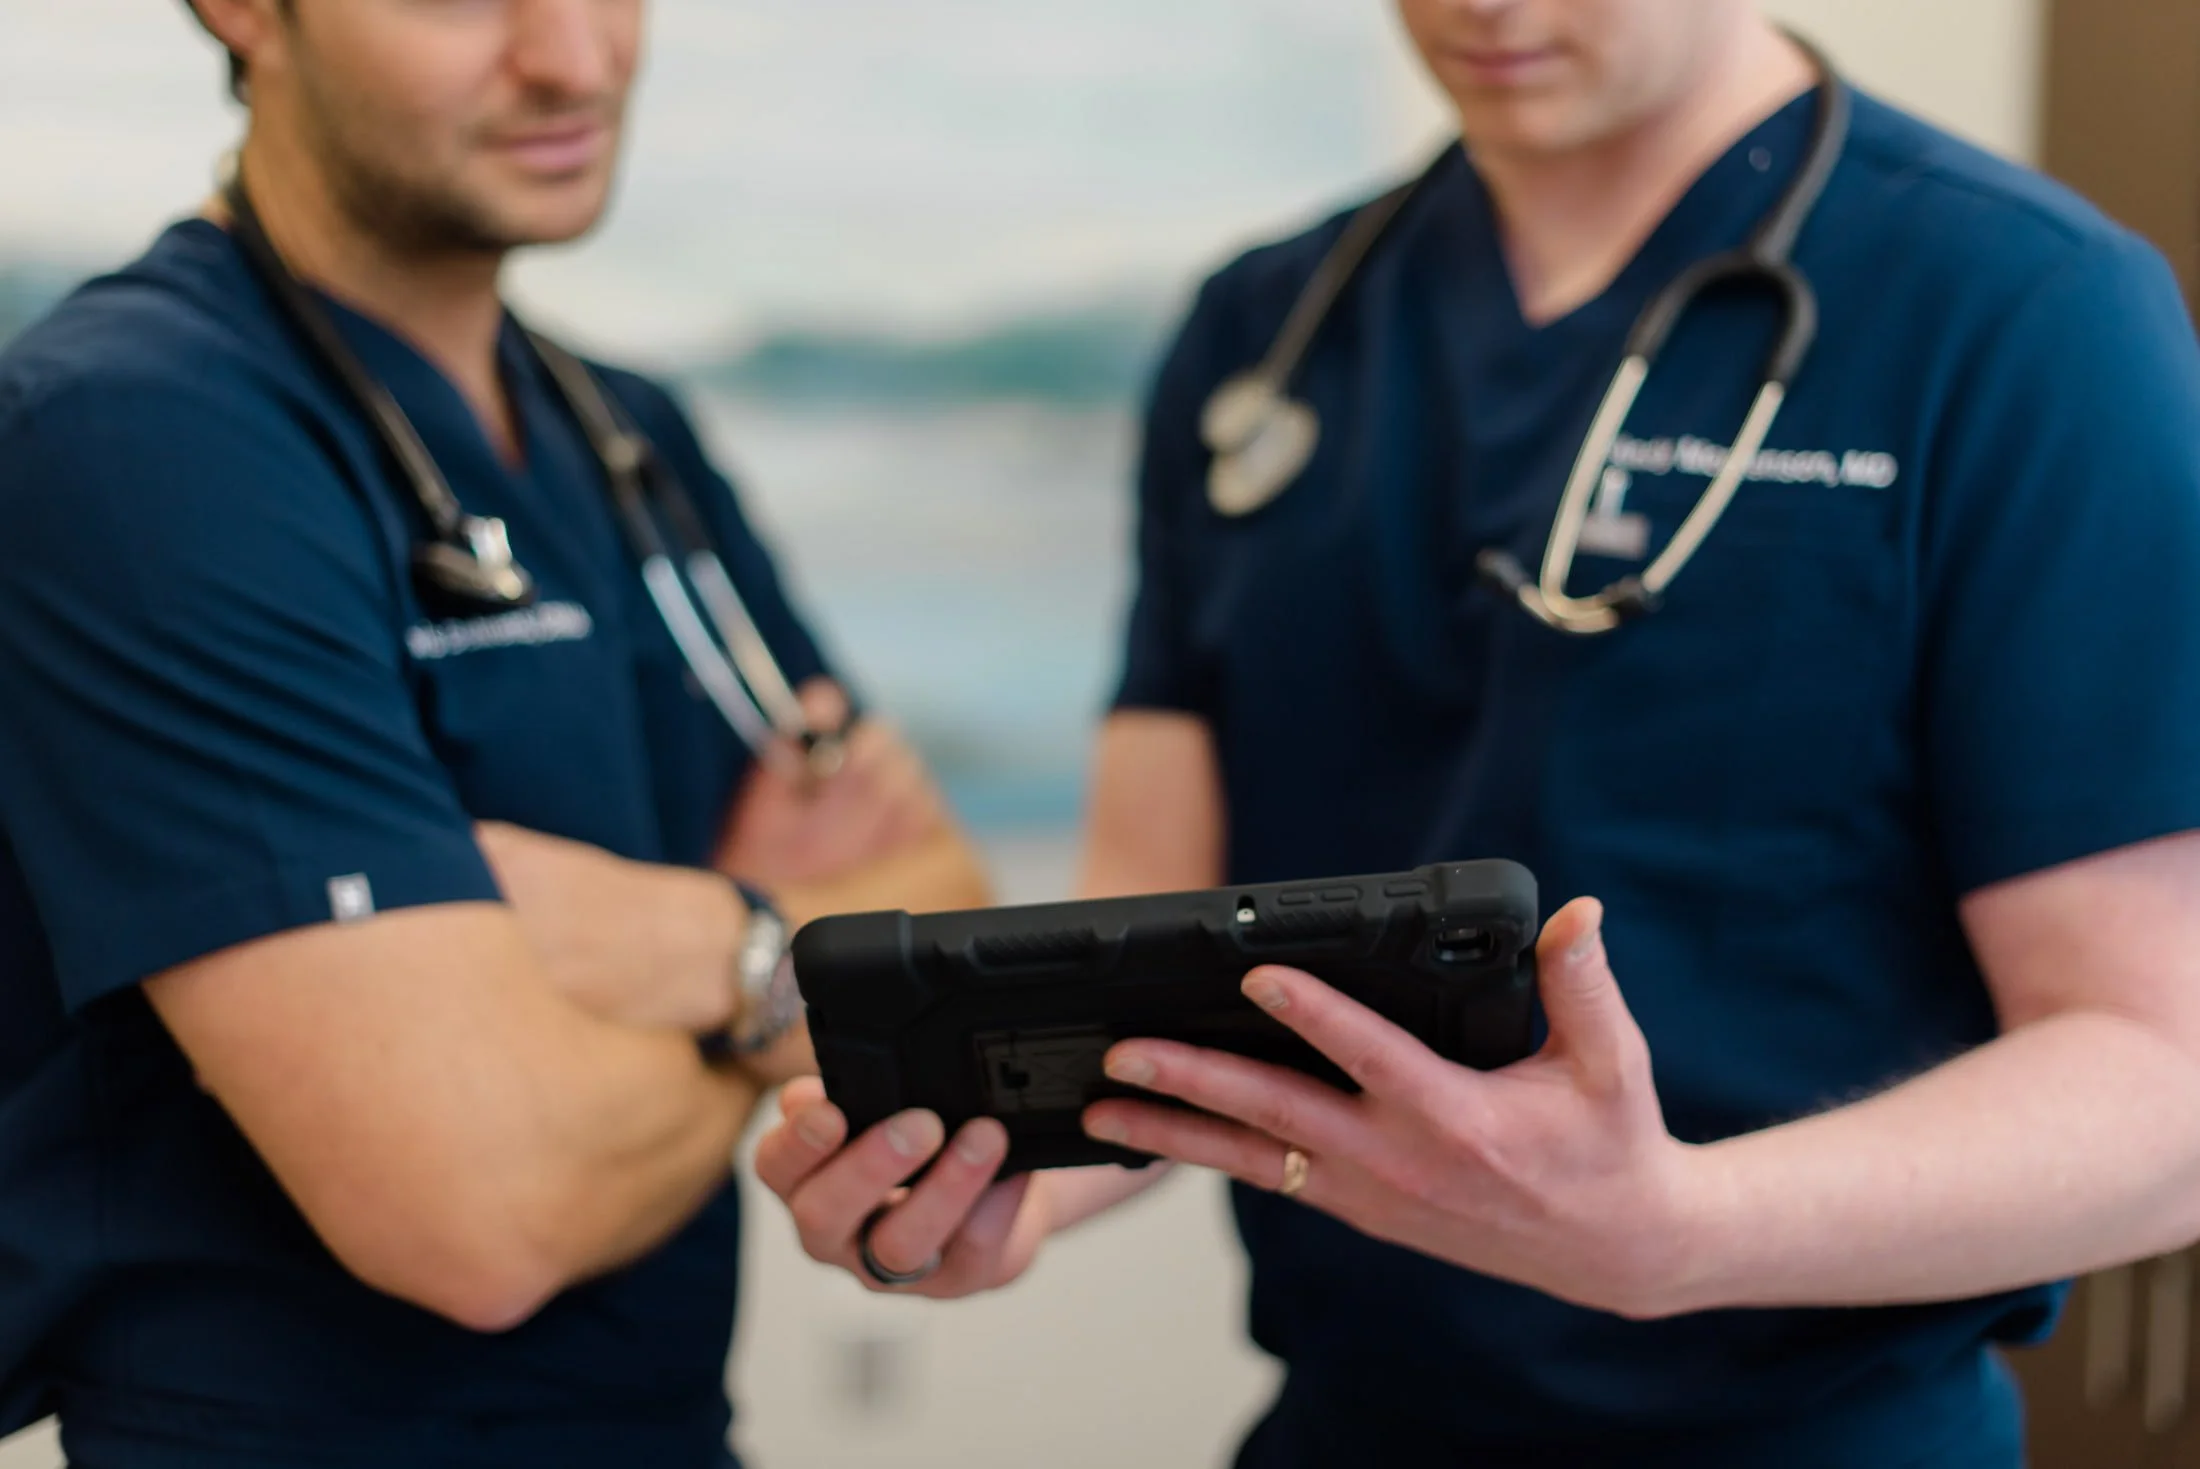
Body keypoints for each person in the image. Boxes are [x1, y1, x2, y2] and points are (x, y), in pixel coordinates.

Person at [753, 2, 2200, 1465]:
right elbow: (1152, 943)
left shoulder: (2022, 310)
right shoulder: (1267, 329)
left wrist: (1681, 1235)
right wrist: (1000, 1190)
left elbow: (2163, 1079)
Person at [0, 1, 990, 1465]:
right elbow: (481, 1210)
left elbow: (954, 930)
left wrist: (698, 954)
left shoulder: (624, 434)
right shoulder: (132, 445)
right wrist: (768, 969)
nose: (574, 60)